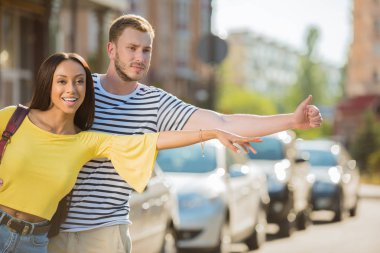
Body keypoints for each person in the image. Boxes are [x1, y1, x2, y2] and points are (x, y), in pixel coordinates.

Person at [48, 15, 323, 253]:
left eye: (146, 50)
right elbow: (38, 134)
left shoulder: (155, 104)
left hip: (105, 234)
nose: (139, 58)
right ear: (111, 49)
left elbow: (224, 121)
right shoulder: (79, 90)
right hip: (51, 227)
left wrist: (291, 120)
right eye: (131, 48)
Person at [0, 52, 260, 253]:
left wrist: (210, 132)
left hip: (34, 242)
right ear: (48, 84)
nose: (72, 89)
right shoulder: (13, 118)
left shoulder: (86, 141)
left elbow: (152, 140)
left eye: (80, 82)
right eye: (62, 81)